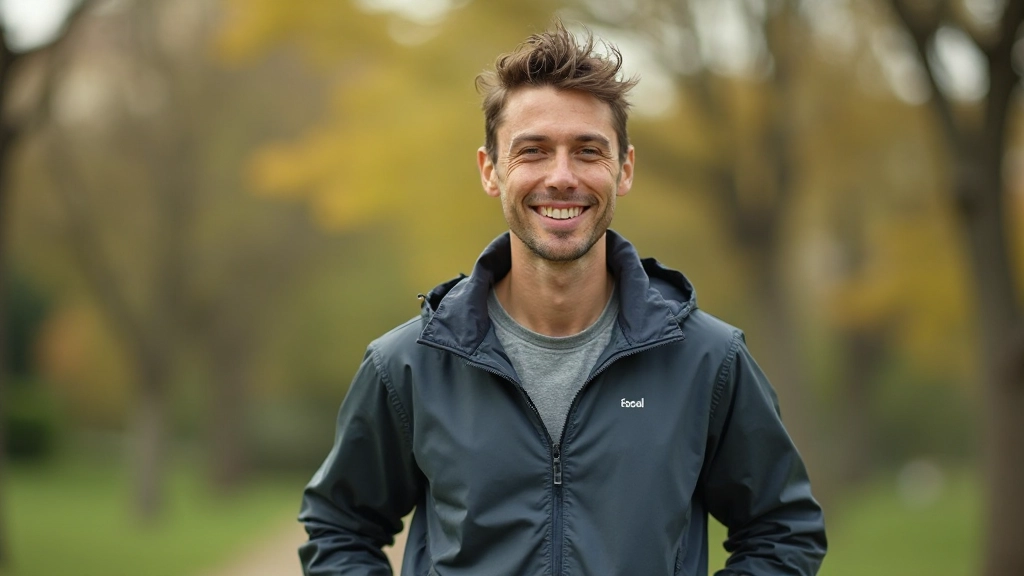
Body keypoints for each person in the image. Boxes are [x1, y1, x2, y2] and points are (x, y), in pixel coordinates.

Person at [299, 21, 827, 576]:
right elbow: (340, 528)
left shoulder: (708, 361)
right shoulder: (409, 365)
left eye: (587, 151)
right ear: (491, 170)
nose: (561, 177)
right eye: (532, 151)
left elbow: (780, 532)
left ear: (623, 169)